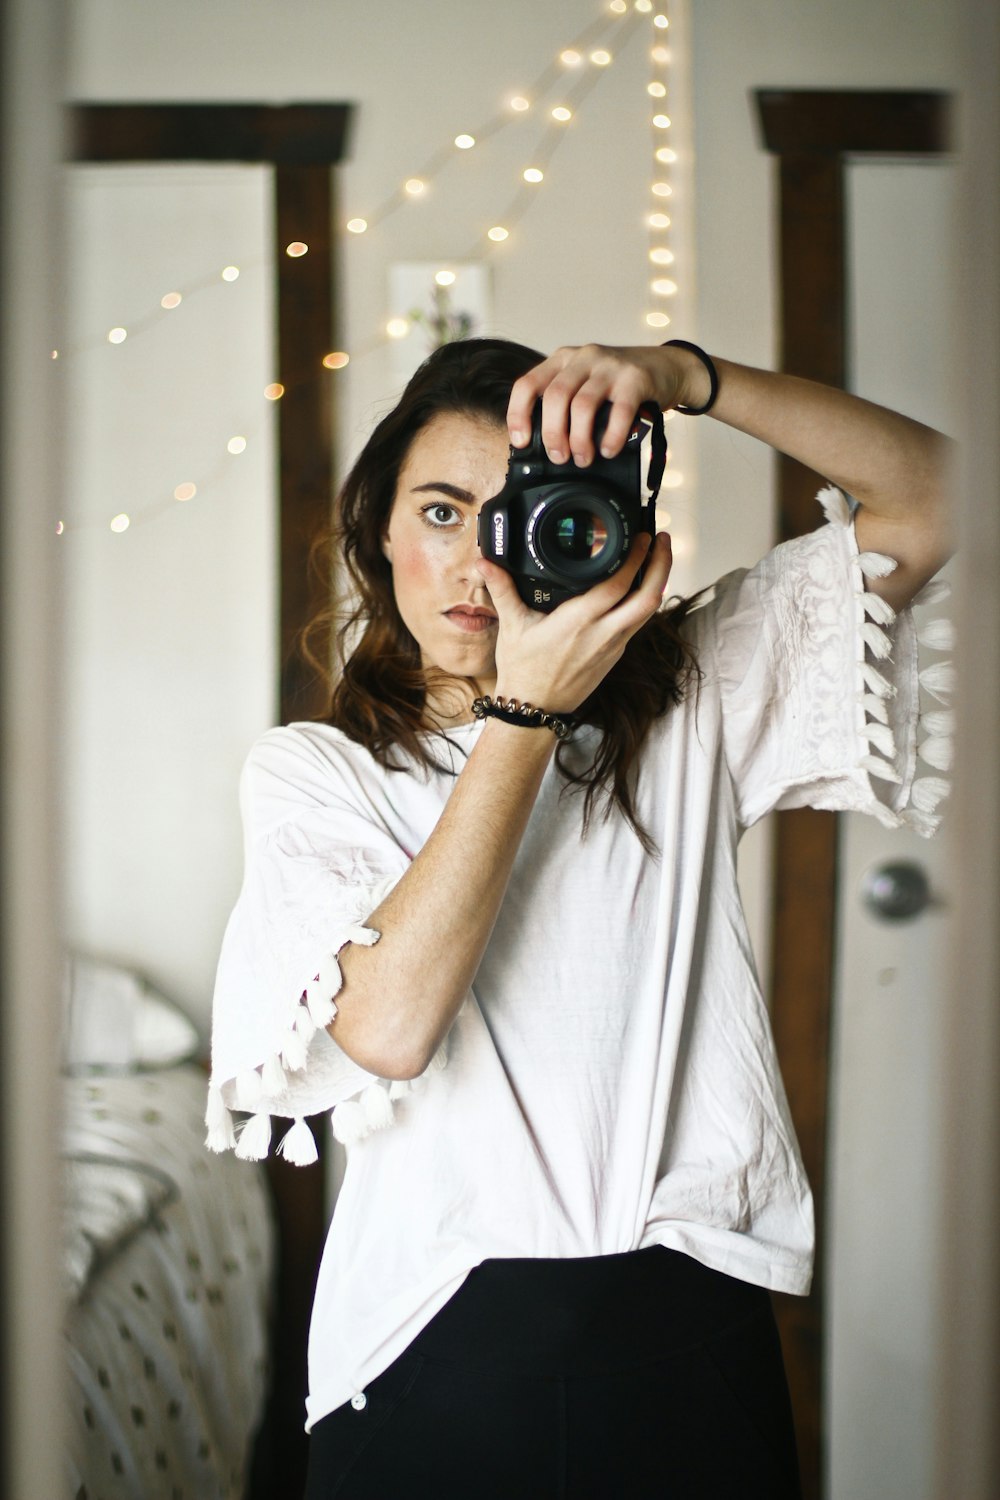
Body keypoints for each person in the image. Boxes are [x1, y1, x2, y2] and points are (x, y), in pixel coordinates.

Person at [207, 338, 952, 1499]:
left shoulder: (694, 697)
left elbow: (940, 495)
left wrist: (685, 377)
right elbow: (390, 1032)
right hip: (429, 1328)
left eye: (519, 513)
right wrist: (524, 709)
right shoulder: (316, 773)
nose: (477, 563)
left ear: (596, 526)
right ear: (380, 538)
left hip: (687, 1308)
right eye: (443, 512)